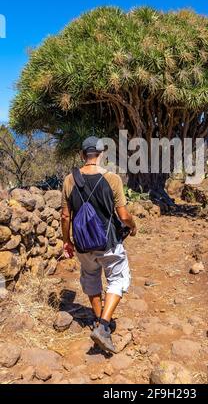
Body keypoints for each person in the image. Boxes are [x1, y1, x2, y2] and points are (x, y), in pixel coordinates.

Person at [61, 136, 137, 353]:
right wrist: (132, 226)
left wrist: (67, 241)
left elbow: (65, 216)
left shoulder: (69, 180)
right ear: (101, 154)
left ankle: (97, 318)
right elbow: (122, 214)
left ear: (82, 155)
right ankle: (103, 326)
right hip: (108, 242)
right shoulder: (112, 179)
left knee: (91, 277)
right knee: (118, 278)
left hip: (83, 243)